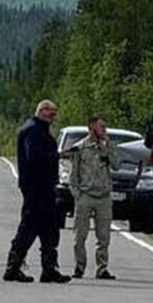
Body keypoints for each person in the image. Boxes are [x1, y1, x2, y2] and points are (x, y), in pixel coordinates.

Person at [3, 99, 71, 284]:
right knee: (29, 227)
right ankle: (13, 267)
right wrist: (57, 155)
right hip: (35, 187)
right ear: (42, 111)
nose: (53, 117)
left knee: (50, 229)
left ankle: (49, 269)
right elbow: (34, 157)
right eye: (51, 113)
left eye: (54, 114)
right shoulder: (32, 131)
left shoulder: (39, 130)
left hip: (45, 186)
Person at [67, 114, 116, 280]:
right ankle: (79, 266)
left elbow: (117, 165)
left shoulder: (107, 146)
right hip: (85, 196)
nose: (105, 130)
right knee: (80, 236)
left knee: (104, 237)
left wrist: (108, 147)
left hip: (104, 196)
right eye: (102, 127)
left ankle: (102, 268)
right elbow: (73, 175)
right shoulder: (80, 148)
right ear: (91, 128)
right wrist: (77, 195)